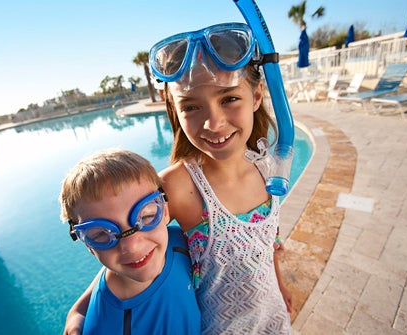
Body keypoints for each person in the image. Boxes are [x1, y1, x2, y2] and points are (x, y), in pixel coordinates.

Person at [64, 22, 292, 334]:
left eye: (229, 99)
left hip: (273, 318)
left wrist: (280, 285)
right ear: (176, 111)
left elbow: (267, 243)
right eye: (192, 107)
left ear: (256, 96)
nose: (214, 123)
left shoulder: (269, 167)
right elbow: (128, 240)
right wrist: (79, 311)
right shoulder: (179, 185)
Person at [59, 148, 201, 335]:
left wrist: (77, 310)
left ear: (165, 210)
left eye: (148, 216)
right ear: (88, 244)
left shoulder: (178, 241)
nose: (132, 246)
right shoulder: (104, 328)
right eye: (102, 234)